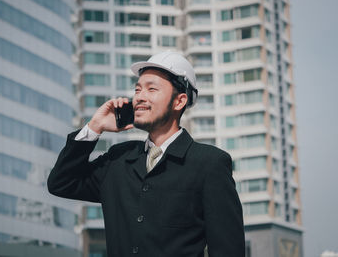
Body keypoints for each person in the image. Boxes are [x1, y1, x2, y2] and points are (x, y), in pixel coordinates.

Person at [47, 51, 245, 257]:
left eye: (152, 89)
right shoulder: (118, 159)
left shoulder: (208, 164)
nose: (139, 97)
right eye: (137, 89)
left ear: (179, 101)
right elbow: (61, 183)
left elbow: (228, 249)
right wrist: (94, 127)